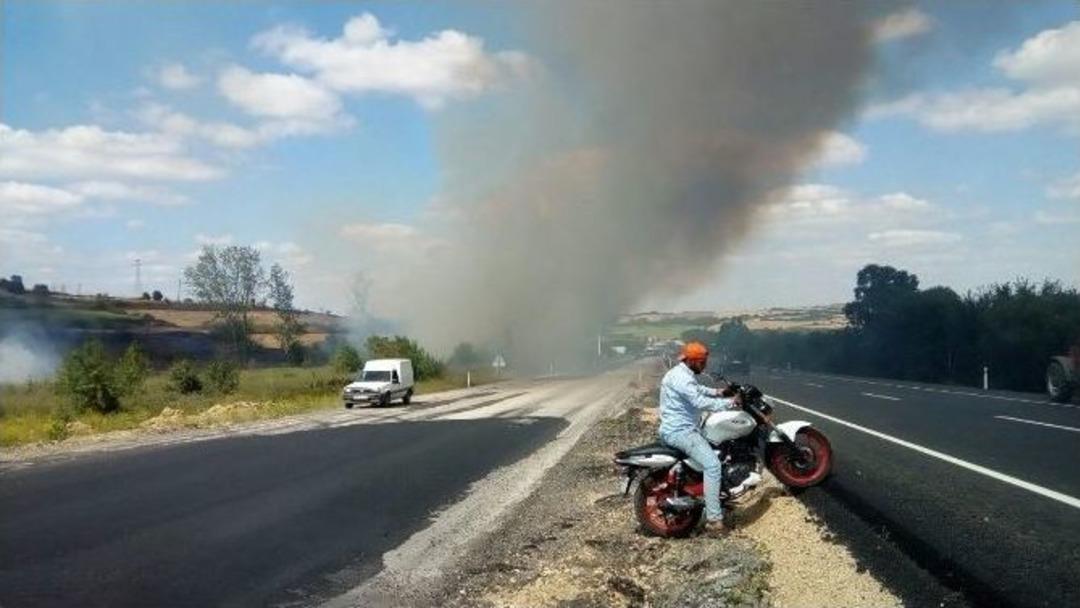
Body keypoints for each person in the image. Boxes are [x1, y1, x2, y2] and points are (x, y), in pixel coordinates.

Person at [658, 341, 741, 534]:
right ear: (692, 361)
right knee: (713, 465)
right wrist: (731, 403)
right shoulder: (681, 377)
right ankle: (714, 521)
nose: (704, 366)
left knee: (718, 450)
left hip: (682, 428)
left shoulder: (682, 374)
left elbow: (698, 390)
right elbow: (699, 401)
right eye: (702, 362)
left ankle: (718, 496)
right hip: (681, 431)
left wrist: (719, 392)